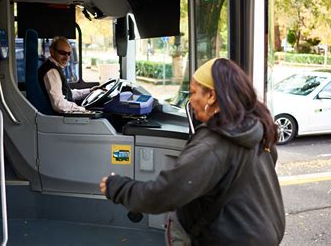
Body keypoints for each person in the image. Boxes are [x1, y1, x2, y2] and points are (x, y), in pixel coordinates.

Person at [100, 58, 285, 245]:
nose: (191, 100)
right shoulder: (257, 127)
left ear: (211, 96)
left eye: (194, 92)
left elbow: (164, 194)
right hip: (264, 232)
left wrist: (117, 187)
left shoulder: (213, 144)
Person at [38, 36, 90, 113]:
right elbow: (59, 105)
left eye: (69, 54)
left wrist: (89, 91)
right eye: (62, 53)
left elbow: (67, 94)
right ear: (52, 51)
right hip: (60, 118)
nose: (67, 57)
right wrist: (82, 109)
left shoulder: (55, 67)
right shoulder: (52, 72)